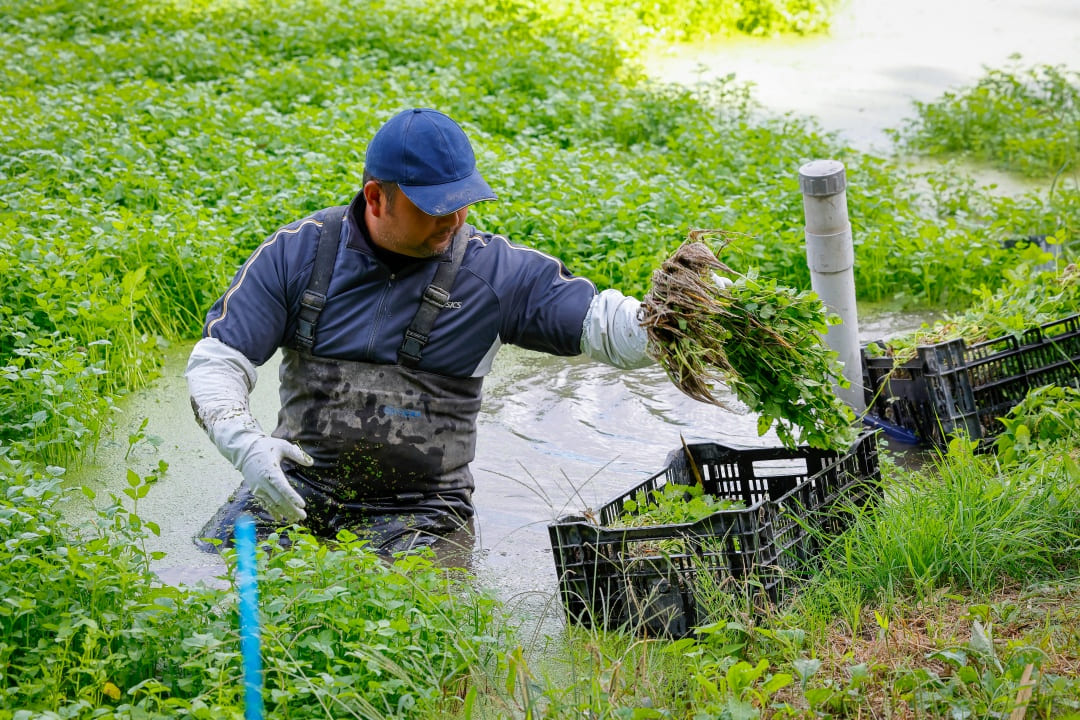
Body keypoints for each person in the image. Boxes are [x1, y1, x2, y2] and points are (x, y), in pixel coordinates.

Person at [186, 108, 656, 556]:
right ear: (375, 197)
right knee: (211, 573)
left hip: (422, 514)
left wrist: (676, 320)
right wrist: (246, 445)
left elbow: (606, 326)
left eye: (463, 205)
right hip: (297, 488)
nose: (453, 222)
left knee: (407, 614)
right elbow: (219, 362)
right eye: (434, 208)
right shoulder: (296, 255)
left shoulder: (496, 276)